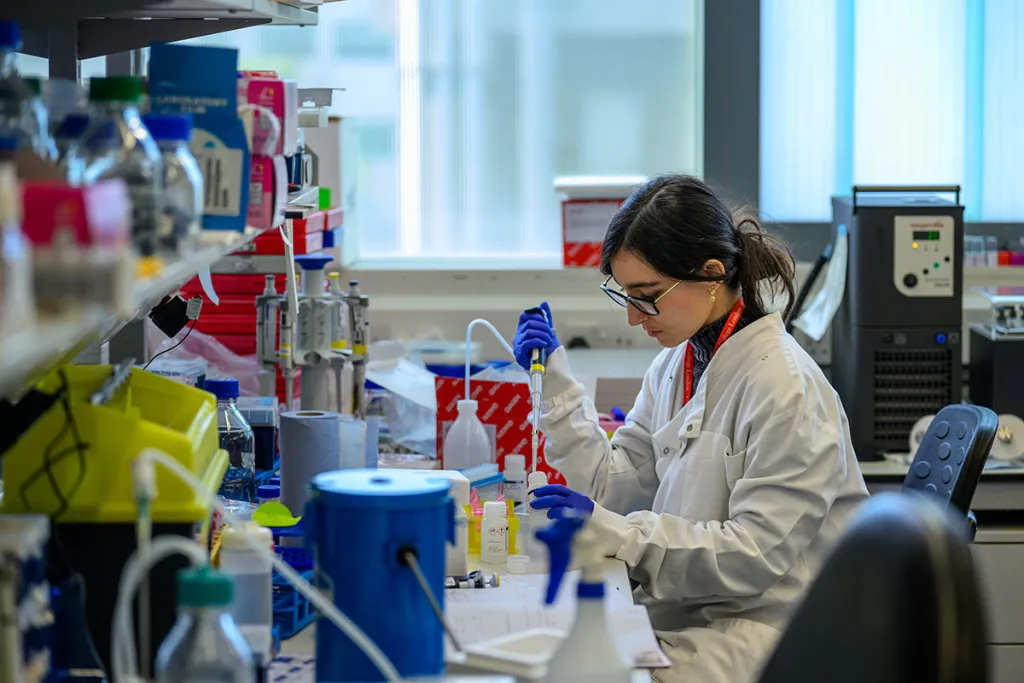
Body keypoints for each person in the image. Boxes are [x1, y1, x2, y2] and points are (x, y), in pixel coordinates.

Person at [513, 174, 869, 683]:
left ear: (711, 273)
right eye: (626, 297)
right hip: (688, 614)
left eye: (648, 295)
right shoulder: (677, 364)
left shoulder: (786, 388)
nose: (636, 319)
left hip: (767, 632)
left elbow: (754, 555)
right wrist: (556, 385)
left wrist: (620, 534)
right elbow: (612, 489)